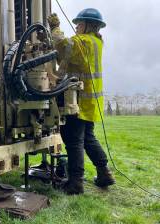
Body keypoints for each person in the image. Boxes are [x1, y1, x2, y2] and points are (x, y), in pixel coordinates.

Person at [47, 8, 115, 194]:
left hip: (79, 101)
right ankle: (104, 173)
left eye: (79, 23)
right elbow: (69, 58)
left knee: (73, 140)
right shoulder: (96, 42)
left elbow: (62, 45)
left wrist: (55, 27)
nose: (76, 26)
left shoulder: (83, 42)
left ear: (88, 25)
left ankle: (75, 183)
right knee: (88, 139)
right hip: (90, 102)